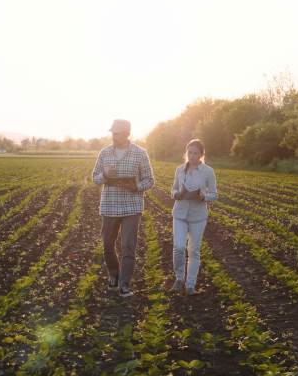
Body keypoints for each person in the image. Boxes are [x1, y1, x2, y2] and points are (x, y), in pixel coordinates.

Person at [92, 119, 154, 297]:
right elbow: (95, 178)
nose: (113, 136)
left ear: (127, 133)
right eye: (112, 132)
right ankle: (114, 274)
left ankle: (125, 284)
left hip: (132, 206)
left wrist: (137, 187)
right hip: (109, 205)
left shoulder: (140, 153)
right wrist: (105, 174)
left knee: (128, 246)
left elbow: (150, 179)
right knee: (107, 245)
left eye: (117, 133)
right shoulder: (104, 153)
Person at [169, 139, 217, 295]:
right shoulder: (179, 170)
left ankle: (190, 285)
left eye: (196, 153)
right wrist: (178, 194)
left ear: (202, 155)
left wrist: (204, 196)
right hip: (180, 213)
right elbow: (173, 190)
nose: (192, 156)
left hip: (198, 215)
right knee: (179, 247)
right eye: (190, 152)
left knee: (194, 250)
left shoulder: (208, 171)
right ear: (186, 153)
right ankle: (179, 278)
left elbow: (214, 194)